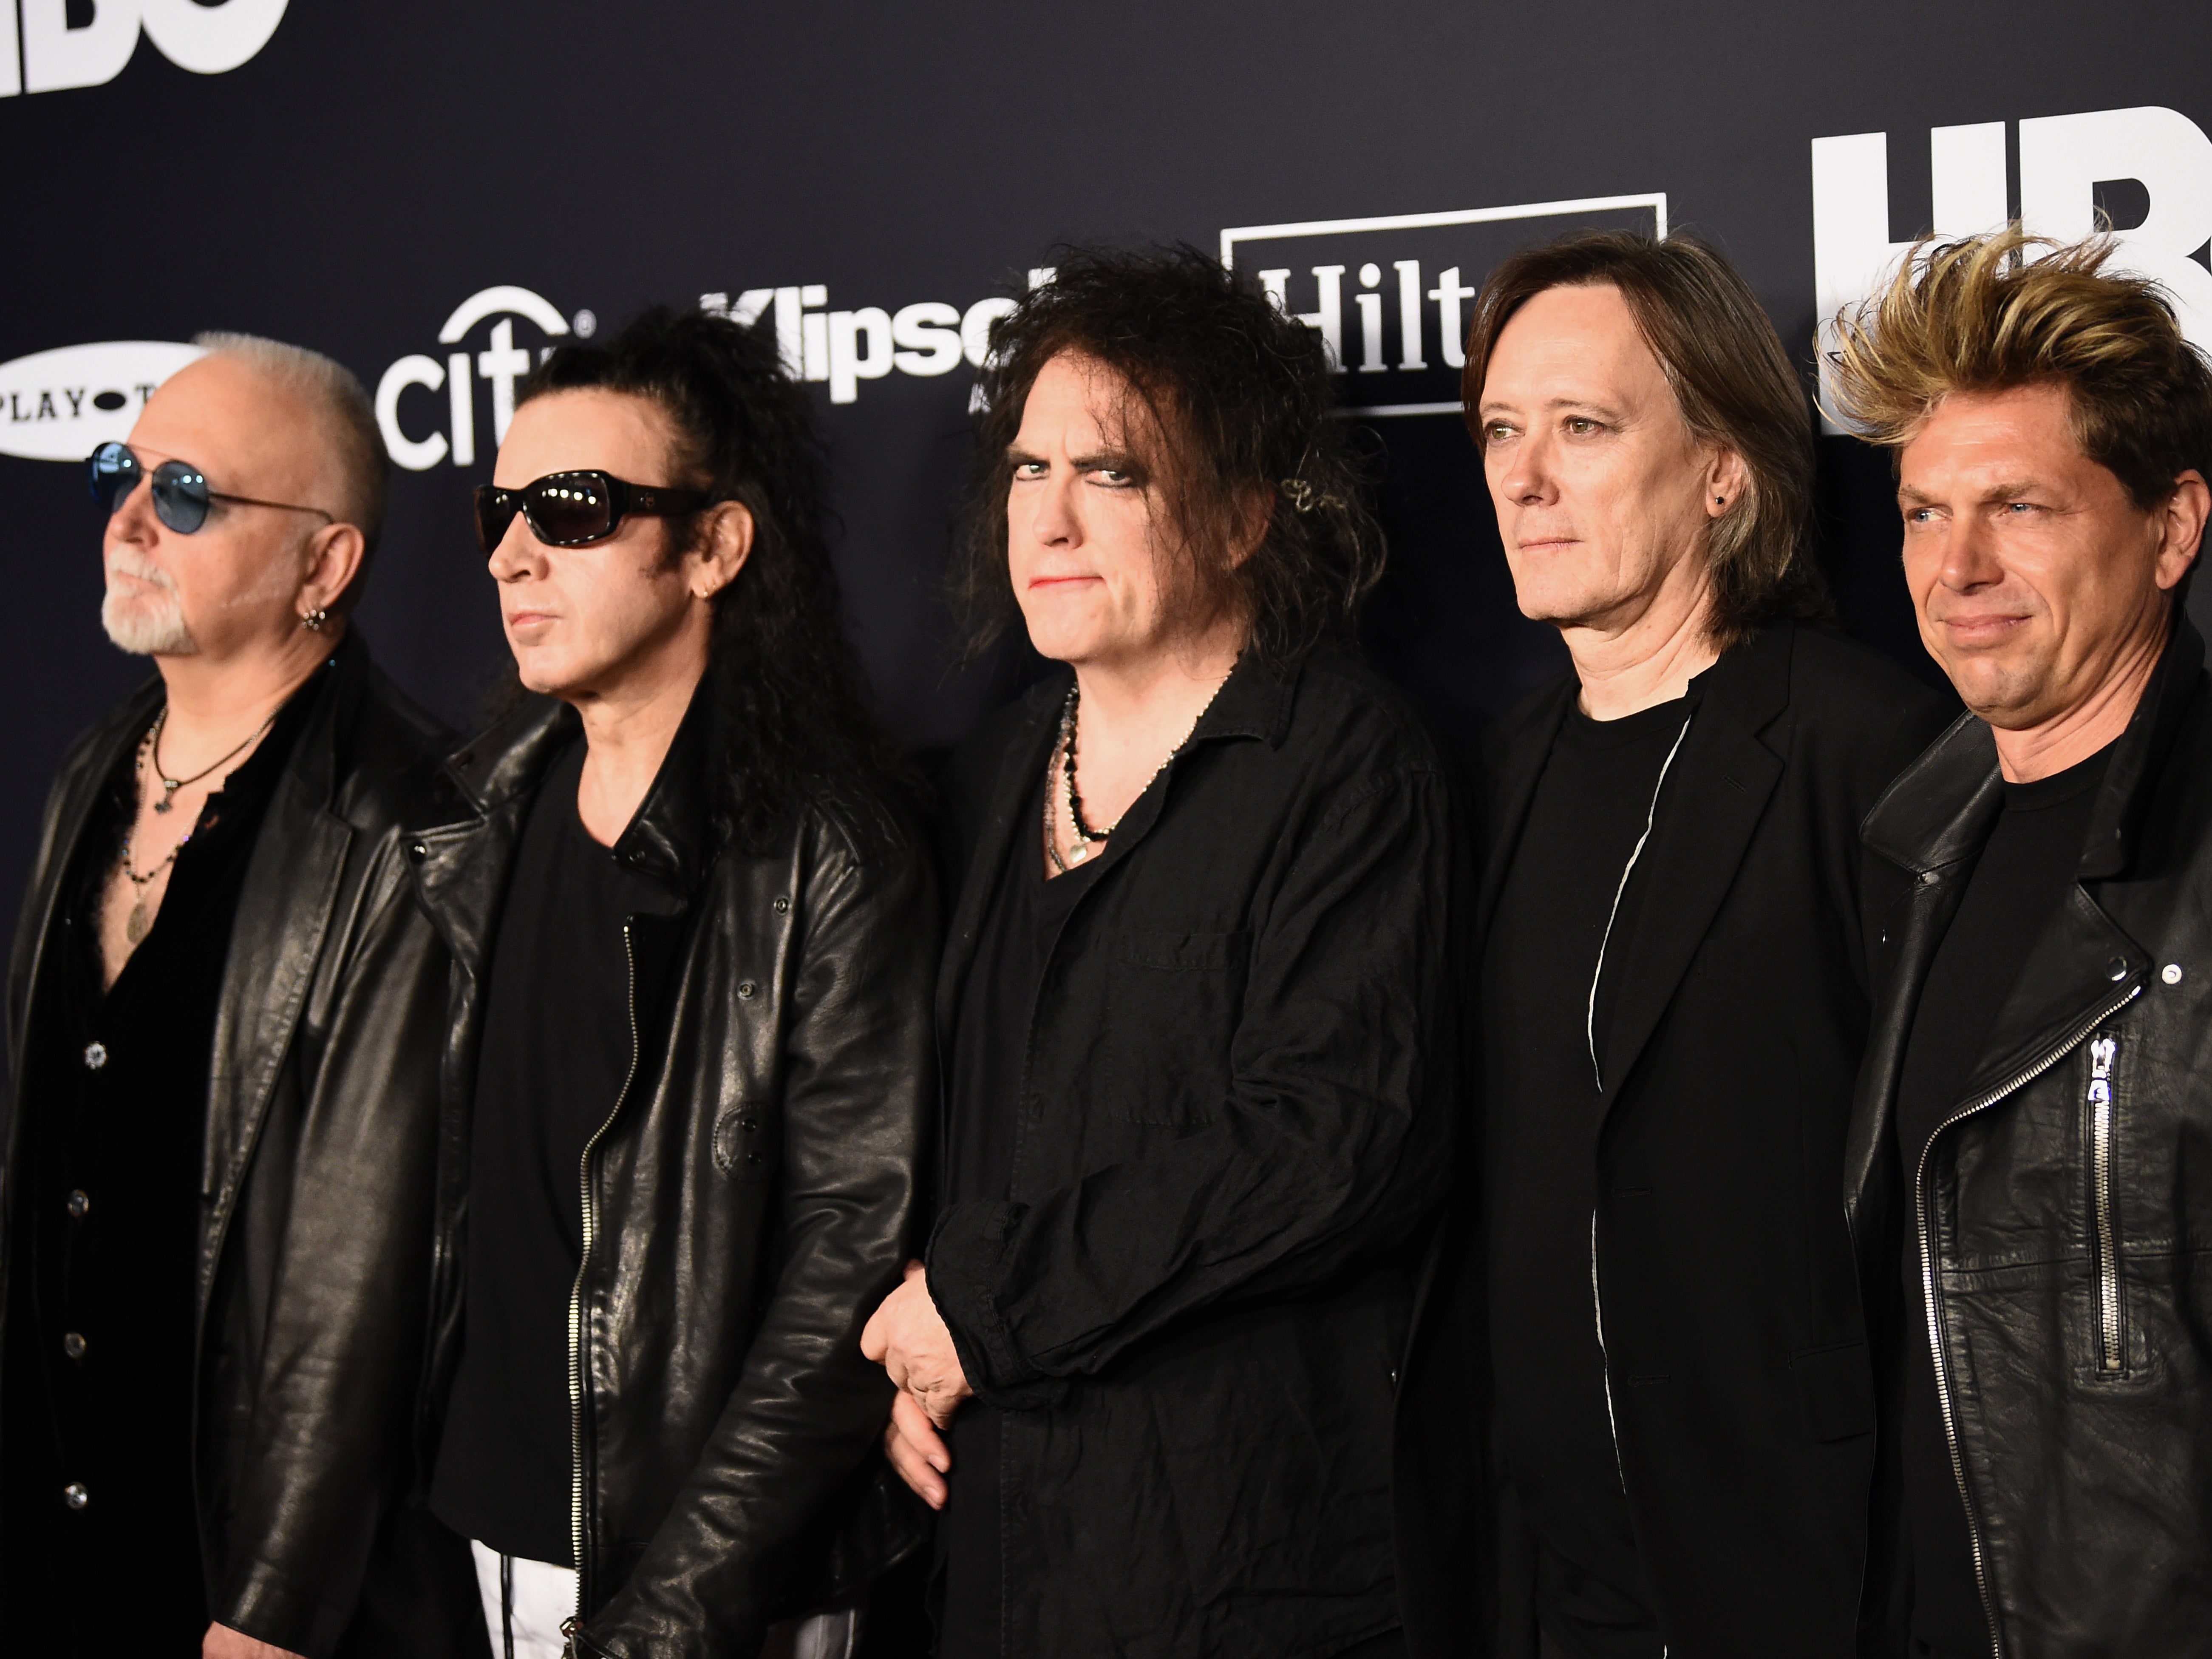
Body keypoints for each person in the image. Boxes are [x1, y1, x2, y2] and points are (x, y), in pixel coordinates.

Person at [859, 244, 1457, 1659]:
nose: (1050, 520)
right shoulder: (994, 776)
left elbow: (1333, 1148)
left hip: (1240, 1561)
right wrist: (919, 1357)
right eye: (1026, 470)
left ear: (1245, 513)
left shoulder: (1347, 765)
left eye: (1112, 476)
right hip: (1000, 1548)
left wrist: (981, 1308)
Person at [1408, 231, 1953, 1659]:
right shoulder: (1492, 777)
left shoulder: (1860, 747)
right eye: (1502, 433)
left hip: (1801, 1578)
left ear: (1723, 469)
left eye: (1582, 429)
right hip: (1550, 1589)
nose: (1522, 480)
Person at [407, 306, 935, 1659]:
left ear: (712, 547)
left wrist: (677, 1609)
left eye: (575, 509)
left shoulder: (827, 855)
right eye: (500, 510)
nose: (516, 552)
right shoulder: (469, 826)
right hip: (496, 1530)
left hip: (725, 1578)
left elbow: (846, 1261)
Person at [0, 336, 480, 1656]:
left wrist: (275, 1603)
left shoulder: (408, 822)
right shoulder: (94, 768)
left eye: (191, 493)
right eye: (120, 474)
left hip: (241, 1586)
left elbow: (363, 1269)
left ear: (325, 566)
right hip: (61, 1552)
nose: (131, 521)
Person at [1827, 229, 2212, 1658]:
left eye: (2021, 509)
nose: (1959, 565)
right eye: (1925, 514)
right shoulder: (1912, 844)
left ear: (2172, 529)